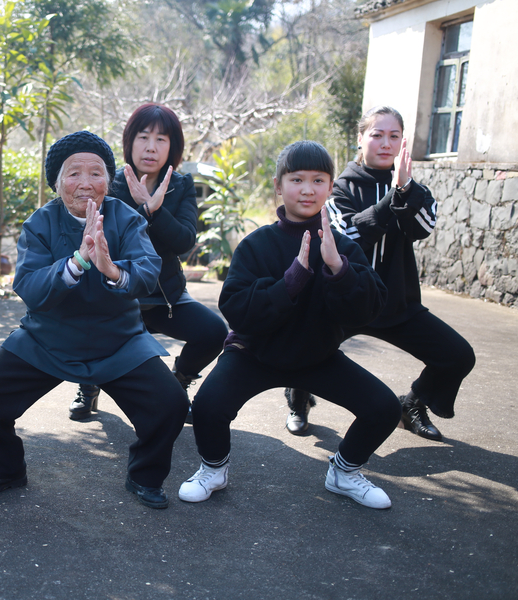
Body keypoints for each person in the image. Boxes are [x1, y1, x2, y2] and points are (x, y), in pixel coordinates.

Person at [0, 131, 188, 509]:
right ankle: (4, 469)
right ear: (56, 182)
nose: (86, 183)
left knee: (170, 403)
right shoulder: (40, 222)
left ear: (108, 180)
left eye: (97, 173)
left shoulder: (127, 218)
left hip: (119, 341)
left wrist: (112, 270)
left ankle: (145, 476)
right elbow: (30, 286)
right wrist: (77, 262)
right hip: (47, 339)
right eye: (73, 174)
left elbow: (148, 270)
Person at [178, 141, 401, 510]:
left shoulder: (343, 246)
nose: (308, 189)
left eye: (318, 180)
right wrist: (290, 282)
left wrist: (339, 270)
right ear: (279, 186)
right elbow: (236, 308)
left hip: (318, 356)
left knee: (384, 408)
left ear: (330, 187)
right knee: (207, 405)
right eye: (297, 179)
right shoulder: (256, 245)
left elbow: (369, 309)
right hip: (254, 353)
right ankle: (214, 469)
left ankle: (344, 472)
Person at [283, 106, 475, 441]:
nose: (385, 143)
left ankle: (412, 404)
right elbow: (350, 235)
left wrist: (406, 189)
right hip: (346, 300)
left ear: (403, 142)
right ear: (361, 138)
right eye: (377, 135)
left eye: (394, 136)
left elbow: (424, 227)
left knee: (457, 356)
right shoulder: (339, 187)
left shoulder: (412, 186)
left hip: (397, 301)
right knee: (303, 345)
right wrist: (395, 195)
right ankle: (298, 401)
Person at [68, 103, 228, 422]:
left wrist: (154, 210)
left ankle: (179, 381)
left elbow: (184, 241)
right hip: (117, 298)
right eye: (143, 137)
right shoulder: (110, 185)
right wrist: (139, 207)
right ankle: (89, 385)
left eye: (161, 139)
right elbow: (99, 241)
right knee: (86, 327)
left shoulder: (181, 186)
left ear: (173, 147)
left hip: (165, 298)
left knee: (214, 332)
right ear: (130, 142)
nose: (151, 147)